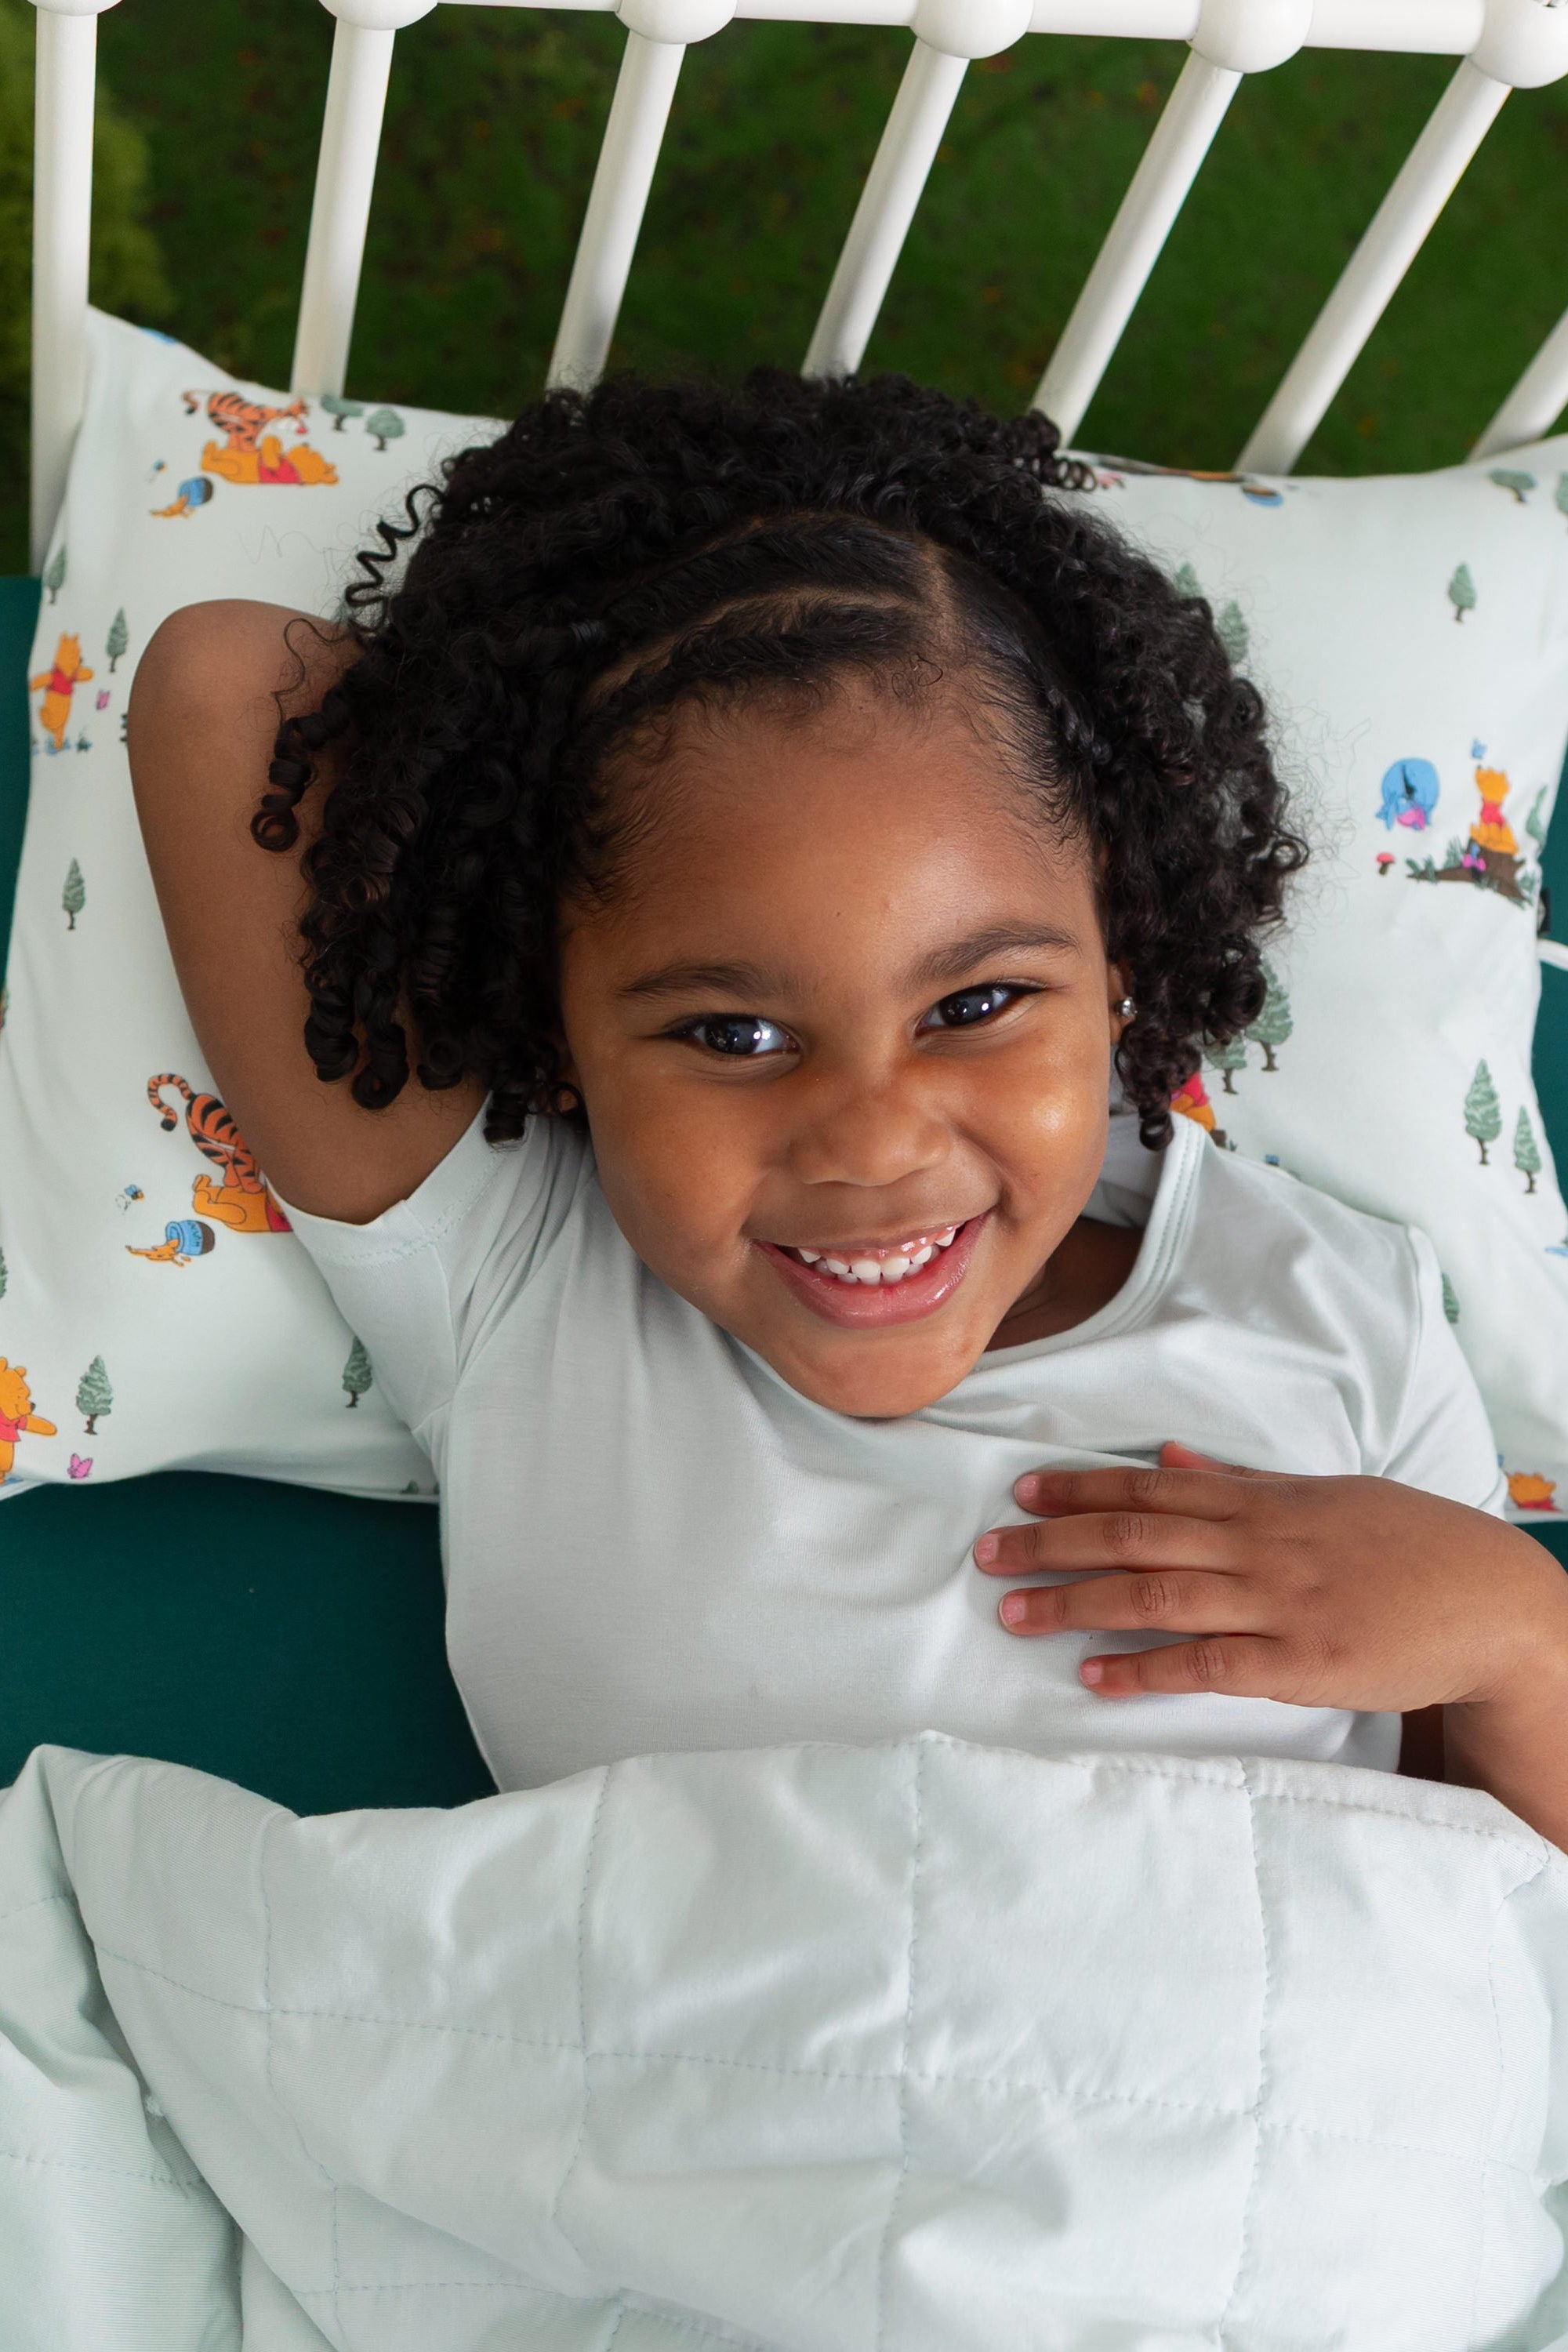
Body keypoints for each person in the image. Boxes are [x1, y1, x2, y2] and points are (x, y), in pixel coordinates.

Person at [127, 370, 1568, 1842]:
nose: (875, 1142)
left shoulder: (1345, 1313)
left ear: (1123, 954)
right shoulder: (516, 1266)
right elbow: (221, 685)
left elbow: (1503, 1932)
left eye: (975, 1004)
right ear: (555, 1028)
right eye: (735, 1030)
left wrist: (1527, 1640)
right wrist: (545, 709)